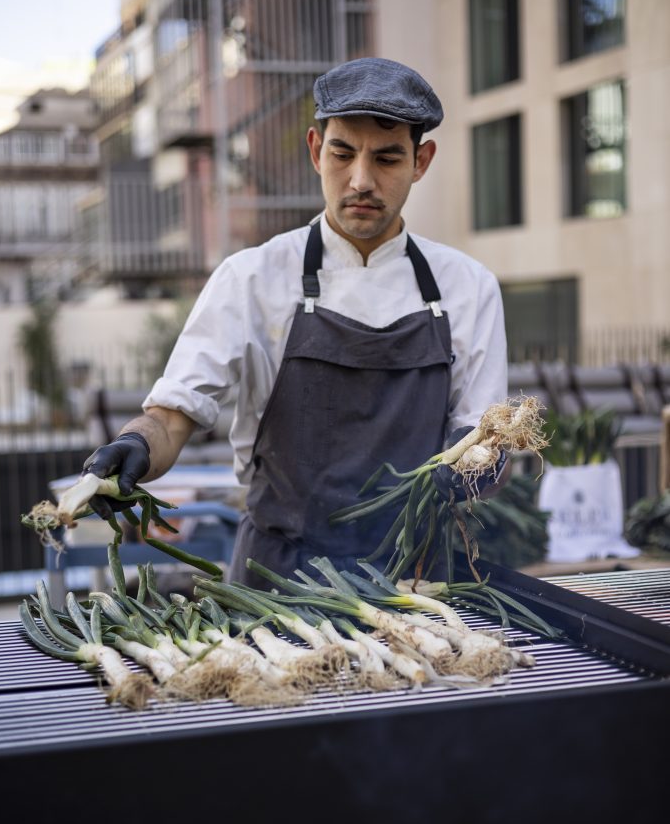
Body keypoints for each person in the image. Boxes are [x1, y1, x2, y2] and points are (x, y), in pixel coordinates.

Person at [83, 57, 509, 586]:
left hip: (417, 583)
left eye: (387, 159)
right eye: (342, 153)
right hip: (277, 580)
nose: (361, 180)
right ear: (315, 150)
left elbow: (484, 439)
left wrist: (477, 467)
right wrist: (136, 446)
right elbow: (172, 418)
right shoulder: (252, 278)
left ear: (421, 161)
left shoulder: (468, 286)